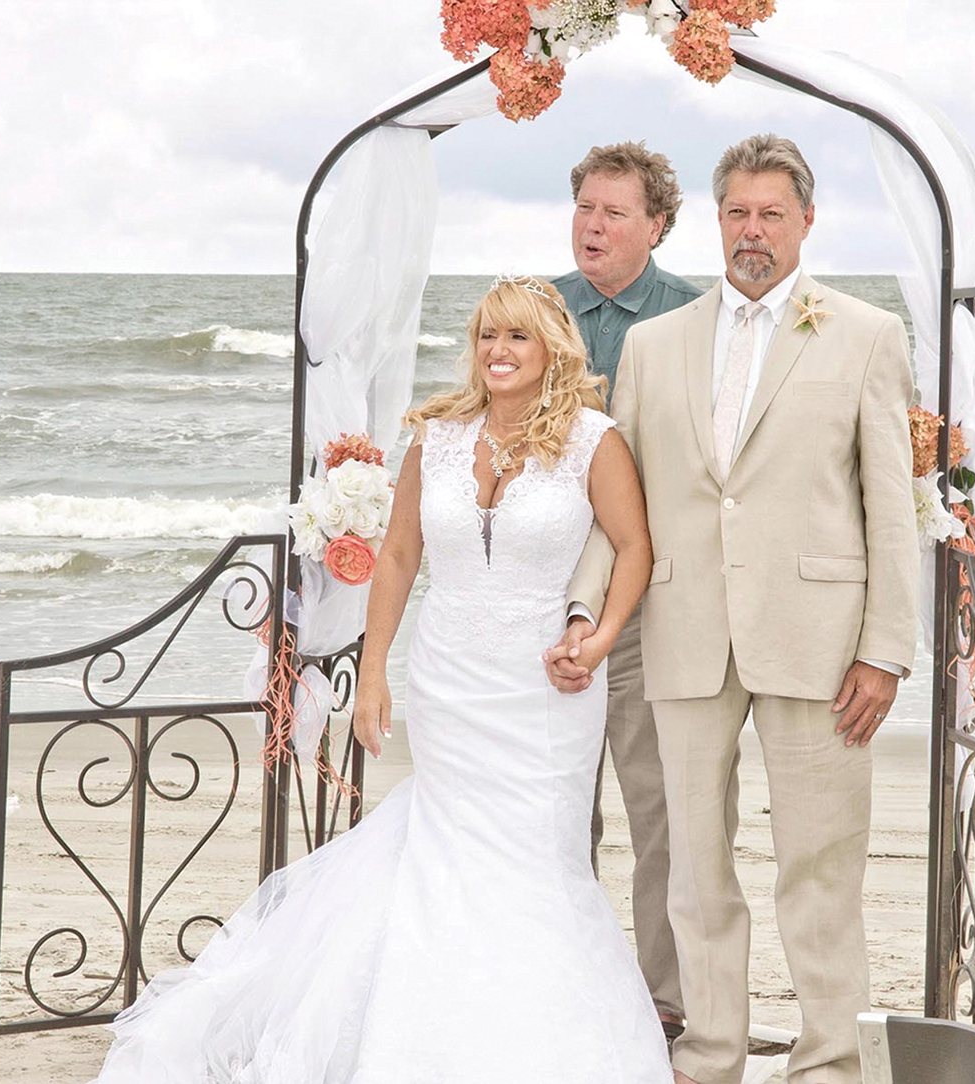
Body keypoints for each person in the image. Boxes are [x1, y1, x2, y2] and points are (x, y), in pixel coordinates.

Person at [88, 276, 671, 1083]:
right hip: (450, 675)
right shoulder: (436, 437)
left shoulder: (593, 440)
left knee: (539, 856)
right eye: (486, 337)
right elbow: (398, 556)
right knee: (446, 851)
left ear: (553, 350)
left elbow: (633, 546)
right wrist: (373, 672)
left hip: (546, 689)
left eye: (517, 338)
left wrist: (600, 639)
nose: (497, 352)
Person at [553, 134, 919, 1084]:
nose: (753, 231)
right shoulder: (653, 342)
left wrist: (885, 650)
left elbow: (891, 506)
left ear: (805, 222)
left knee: (819, 869)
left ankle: (831, 1060)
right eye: (738, 213)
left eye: (772, 214)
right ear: (715, 222)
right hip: (683, 633)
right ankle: (709, 1052)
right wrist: (584, 611)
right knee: (692, 869)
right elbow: (619, 502)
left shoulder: (866, 334)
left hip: (823, 645)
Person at [551, 140, 701, 1039]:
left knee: (657, 805)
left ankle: (663, 997)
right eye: (584, 209)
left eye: (614, 212)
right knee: (558, 802)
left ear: (657, 225)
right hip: (537, 595)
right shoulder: (533, 313)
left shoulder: (693, 315)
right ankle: (562, 974)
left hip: (650, 602)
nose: (594, 226)